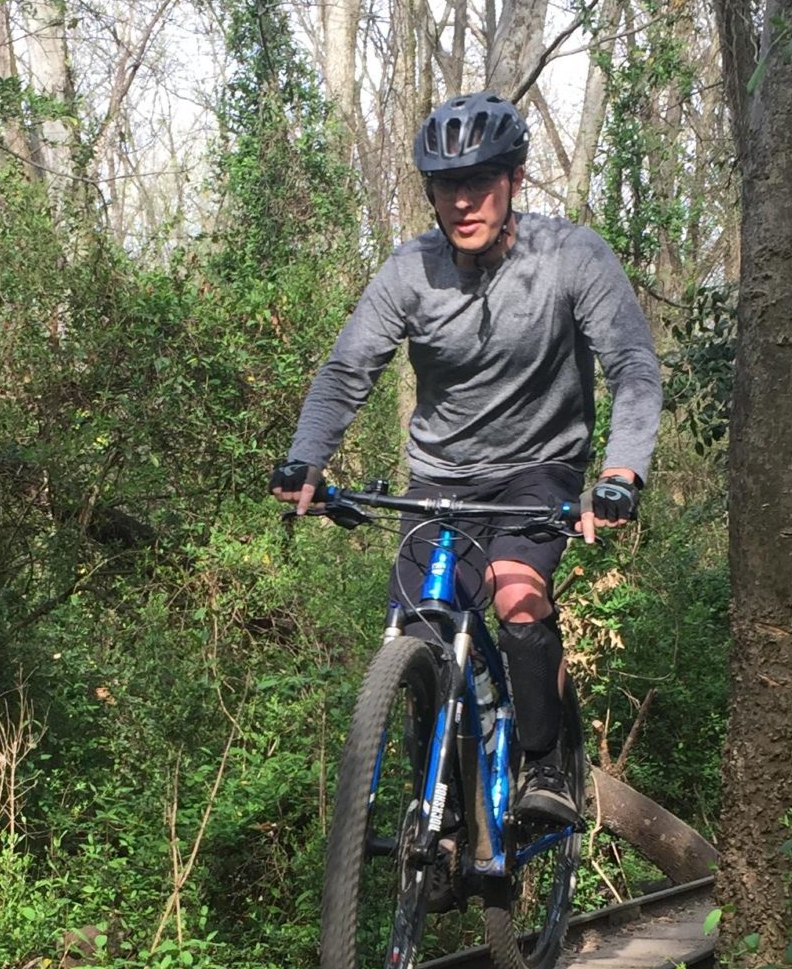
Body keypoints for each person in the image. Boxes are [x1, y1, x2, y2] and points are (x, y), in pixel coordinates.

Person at [270, 91, 664, 828]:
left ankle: (546, 765)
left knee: (517, 599)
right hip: (440, 480)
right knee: (418, 636)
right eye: (448, 186)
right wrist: (306, 460)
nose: (463, 201)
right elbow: (347, 370)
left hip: (537, 471)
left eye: (480, 182)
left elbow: (633, 366)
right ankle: (444, 817)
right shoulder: (410, 270)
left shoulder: (570, 256)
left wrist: (619, 473)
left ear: (514, 181)